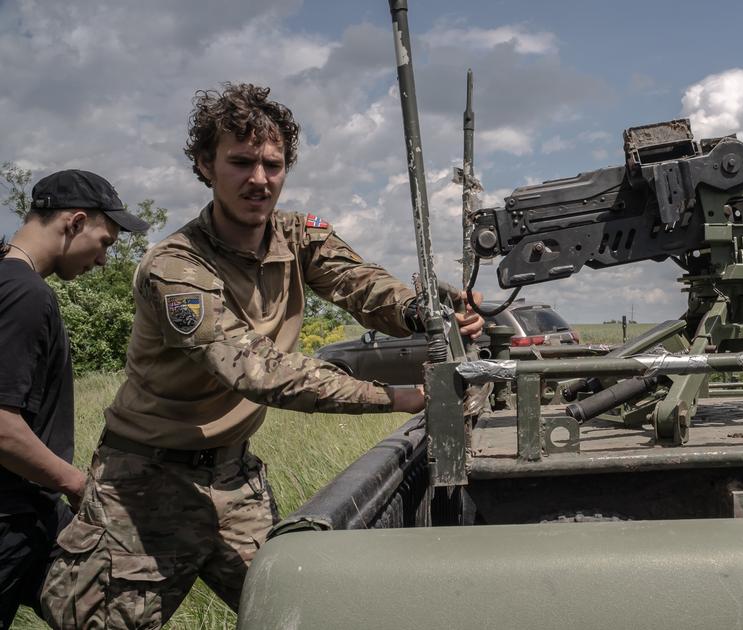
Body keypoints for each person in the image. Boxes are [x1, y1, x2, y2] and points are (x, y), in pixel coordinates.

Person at [40, 83, 483, 628]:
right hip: (144, 485)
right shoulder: (175, 266)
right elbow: (253, 369)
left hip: (235, 478)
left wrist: (424, 311)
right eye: (241, 162)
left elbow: (360, 284)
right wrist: (396, 397)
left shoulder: (298, 237)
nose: (259, 179)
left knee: (303, 615)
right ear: (206, 165)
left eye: (273, 165)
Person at [0, 170, 149, 628]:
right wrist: (78, 485)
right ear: (74, 222)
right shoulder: (25, 294)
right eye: (104, 242)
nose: (104, 259)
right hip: (10, 523)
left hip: (35, 517)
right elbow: (2, 428)